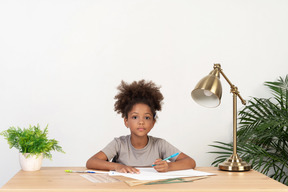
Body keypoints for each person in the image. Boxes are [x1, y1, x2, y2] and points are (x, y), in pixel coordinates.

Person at [86, 80, 196, 173]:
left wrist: (169, 166)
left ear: (153, 122)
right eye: (135, 117)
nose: (141, 122)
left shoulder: (160, 144)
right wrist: (117, 166)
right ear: (126, 121)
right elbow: (91, 162)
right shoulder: (119, 144)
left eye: (147, 117)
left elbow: (190, 162)